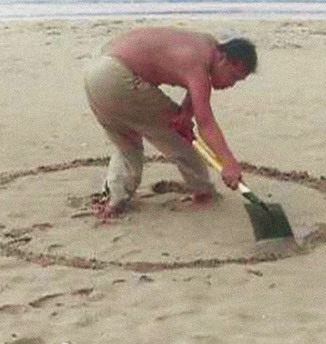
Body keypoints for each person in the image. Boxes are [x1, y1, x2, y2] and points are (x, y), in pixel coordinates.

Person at [83, 27, 257, 217]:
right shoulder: (198, 67)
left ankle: (115, 200)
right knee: (180, 136)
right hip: (118, 74)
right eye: (233, 76)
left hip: (95, 71)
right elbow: (205, 124)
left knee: (126, 140)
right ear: (223, 58)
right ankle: (203, 193)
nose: (231, 84)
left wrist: (185, 112)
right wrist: (229, 163)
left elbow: (192, 82)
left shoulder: (205, 45)